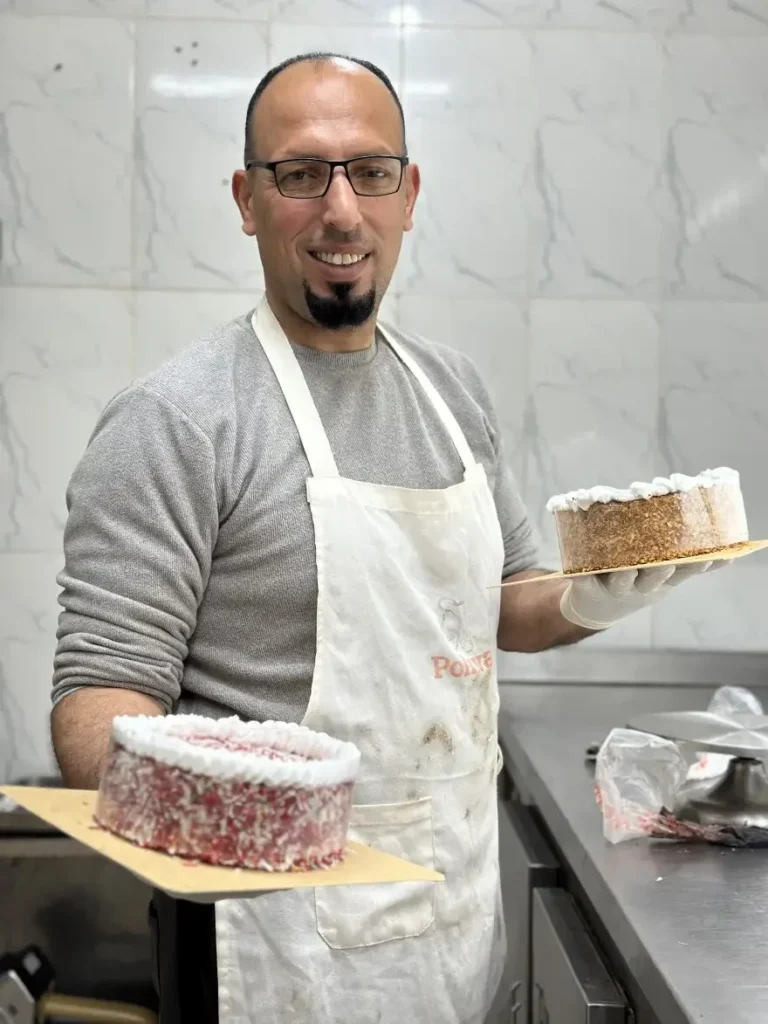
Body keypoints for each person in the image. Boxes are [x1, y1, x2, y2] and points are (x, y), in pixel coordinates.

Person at [50, 52, 725, 1024]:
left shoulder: (453, 396)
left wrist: (595, 592)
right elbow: (94, 715)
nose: (340, 211)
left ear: (408, 195)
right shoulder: (178, 421)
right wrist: (246, 814)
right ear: (247, 199)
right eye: (299, 173)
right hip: (267, 945)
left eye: (370, 172)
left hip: (446, 913)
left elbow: (501, 607)